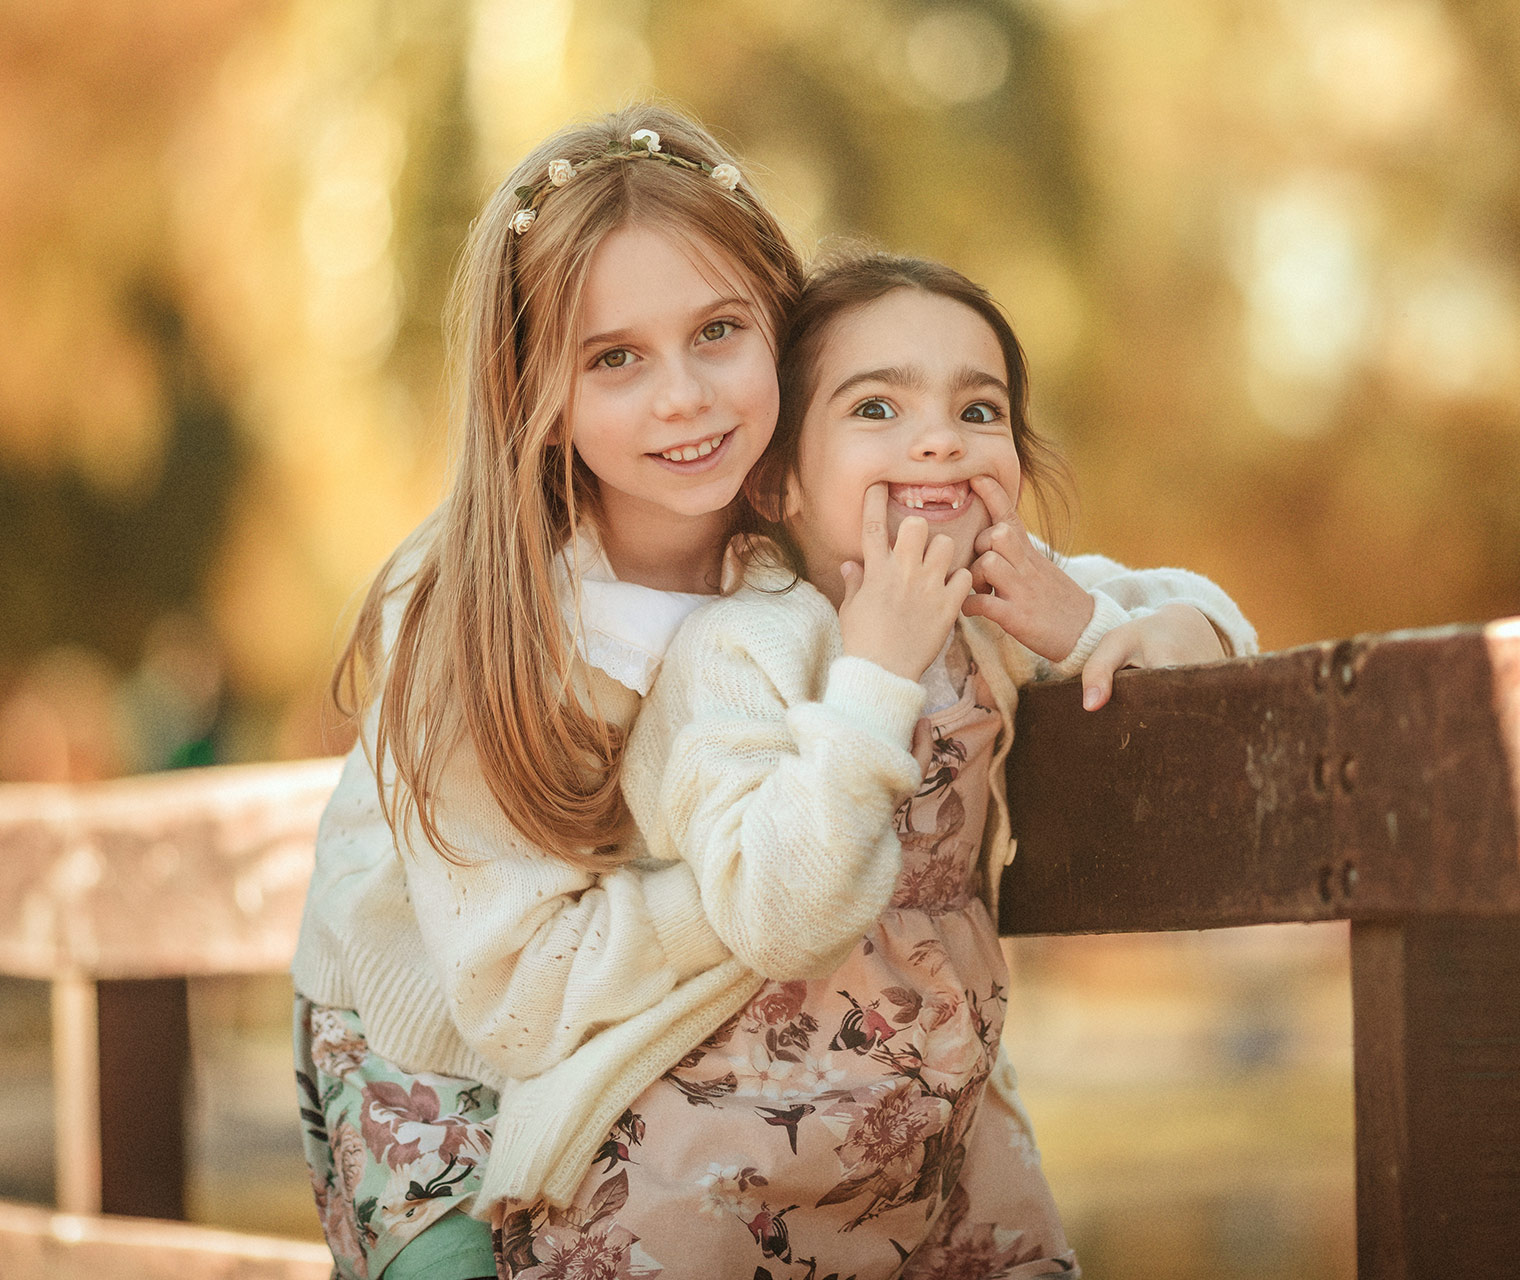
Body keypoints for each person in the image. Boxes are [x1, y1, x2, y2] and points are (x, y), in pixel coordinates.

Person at [290, 104, 1255, 1280]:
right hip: (445, 1030)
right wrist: (784, 869)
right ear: (533, 390)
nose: (686, 397)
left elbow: (1164, 607)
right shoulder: (486, 621)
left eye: (718, 331)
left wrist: (1107, 623)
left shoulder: (801, 523)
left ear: (783, 337)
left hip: (722, 1020)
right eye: (614, 358)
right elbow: (520, 994)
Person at [489, 252, 1258, 1278]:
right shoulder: (738, 651)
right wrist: (876, 672)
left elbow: (1222, 636)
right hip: (713, 1152)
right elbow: (778, 915)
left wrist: (1088, 625)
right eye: (877, 408)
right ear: (780, 480)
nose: (939, 436)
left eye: (978, 410)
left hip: (937, 1131)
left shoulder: (1002, 597)